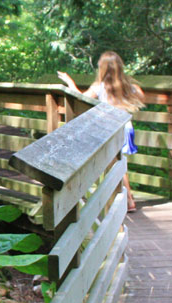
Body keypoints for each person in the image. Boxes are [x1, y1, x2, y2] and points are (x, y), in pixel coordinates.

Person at [57, 51, 145, 211]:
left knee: (114, 163)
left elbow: (81, 98)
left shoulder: (100, 87)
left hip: (110, 128)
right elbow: (141, 97)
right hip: (126, 126)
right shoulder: (130, 86)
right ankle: (127, 199)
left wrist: (70, 83)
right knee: (120, 162)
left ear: (102, 68)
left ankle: (128, 200)